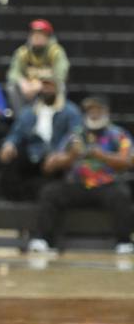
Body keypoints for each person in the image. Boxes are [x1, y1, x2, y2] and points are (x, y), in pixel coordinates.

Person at [35, 96, 133, 255]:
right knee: (49, 192)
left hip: (106, 185)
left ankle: (124, 242)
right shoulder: (75, 135)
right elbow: (49, 166)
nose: (93, 113)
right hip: (77, 184)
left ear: (106, 112)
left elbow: (128, 161)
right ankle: (42, 239)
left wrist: (102, 156)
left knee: (122, 195)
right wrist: (70, 157)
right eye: (90, 110)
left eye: (97, 109)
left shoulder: (118, 134)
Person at [0, 75, 81, 200]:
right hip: (34, 152)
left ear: (58, 88)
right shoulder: (29, 111)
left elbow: (75, 134)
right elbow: (17, 132)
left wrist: (61, 154)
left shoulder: (71, 111)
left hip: (56, 154)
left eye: (50, 86)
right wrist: (9, 144)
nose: (46, 89)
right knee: (10, 158)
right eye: (44, 86)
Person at [6, 19, 70, 113]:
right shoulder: (24, 52)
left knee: (61, 86)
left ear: (48, 37)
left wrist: (41, 85)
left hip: (48, 89)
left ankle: (57, 116)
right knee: (12, 87)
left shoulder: (55, 52)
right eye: (34, 34)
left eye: (41, 34)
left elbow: (61, 74)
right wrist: (23, 83)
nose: (36, 37)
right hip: (29, 90)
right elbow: (13, 73)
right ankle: (22, 117)